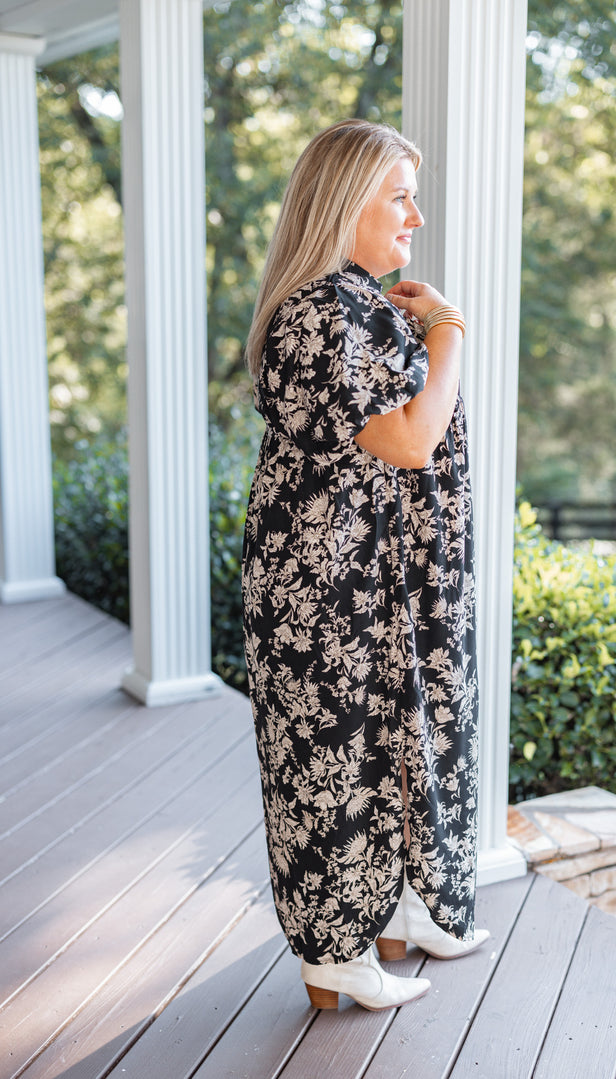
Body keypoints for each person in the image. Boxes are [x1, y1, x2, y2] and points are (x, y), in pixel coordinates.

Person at [241, 118, 488, 1012]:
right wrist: (450, 327)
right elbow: (411, 441)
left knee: (395, 742)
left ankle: (405, 910)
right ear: (346, 204)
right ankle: (335, 953)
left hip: (371, 571)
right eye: (399, 197)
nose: (415, 216)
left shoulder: (352, 301)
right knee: (337, 759)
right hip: (333, 584)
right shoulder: (324, 310)